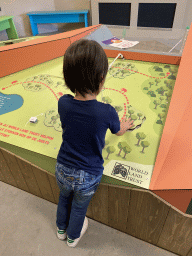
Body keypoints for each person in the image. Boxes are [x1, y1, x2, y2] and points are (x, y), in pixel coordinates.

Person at [55, 39, 134, 248]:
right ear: (101, 79)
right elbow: (117, 131)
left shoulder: (62, 103)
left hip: (62, 168)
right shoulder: (106, 112)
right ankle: (72, 238)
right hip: (88, 174)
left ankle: (60, 230)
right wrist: (124, 125)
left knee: (63, 199)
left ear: (67, 78)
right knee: (79, 208)